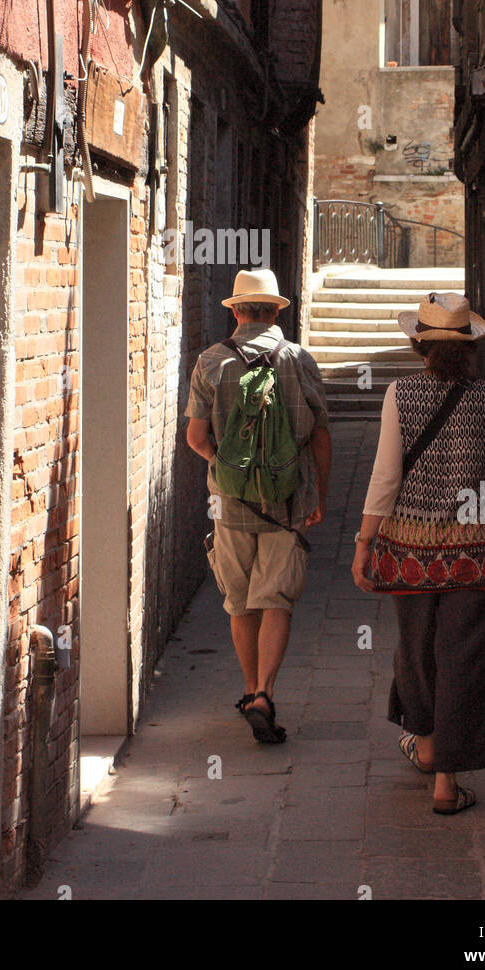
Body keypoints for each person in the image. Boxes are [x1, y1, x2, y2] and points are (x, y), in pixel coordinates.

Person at [351, 291, 485, 814]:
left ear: (418, 344)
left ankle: (425, 745)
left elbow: (385, 478)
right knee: (464, 657)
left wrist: (364, 544)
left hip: (410, 550)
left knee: (419, 649)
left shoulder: (399, 395)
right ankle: (445, 779)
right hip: (477, 552)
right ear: (468, 345)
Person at [186, 269, 331, 743]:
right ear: (275, 311)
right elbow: (322, 437)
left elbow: (196, 437)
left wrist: (229, 469)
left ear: (234, 310)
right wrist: (320, 495)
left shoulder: (210, 361)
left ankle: (249, 690)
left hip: (230, 505)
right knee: (276, 599)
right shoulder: (299, 360)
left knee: (240, 601)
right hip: (288, 501)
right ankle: (267, 691)